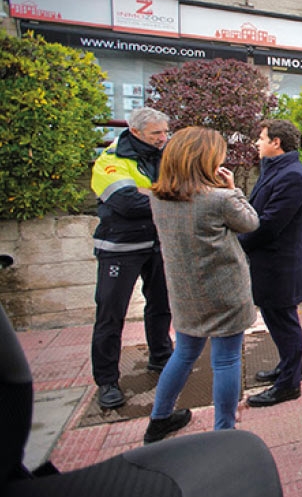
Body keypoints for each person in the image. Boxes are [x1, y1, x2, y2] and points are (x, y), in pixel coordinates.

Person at [144, 126, 259, 443]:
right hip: (225, 293)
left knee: (183, 354)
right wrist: (234, 189)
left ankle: (159, 419)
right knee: (226, 360)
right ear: (204, 160)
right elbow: (251, 223)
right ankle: (224, 431)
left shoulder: (158, 197)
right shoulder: (220, 199)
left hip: (185, 293)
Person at [90, 107, 174, 409]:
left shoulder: (164, 154)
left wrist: (149, 192)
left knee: (161, 306)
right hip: (120, 247)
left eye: (165, 132)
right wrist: (167, 194)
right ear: (135, 132)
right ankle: (107, 381)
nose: (163, 138)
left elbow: (187, 189)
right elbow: (127, 204)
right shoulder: (111, 159)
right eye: (156, 133)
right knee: (111, 315)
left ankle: (161, 357)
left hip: (158, 243)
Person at [239, 119, 302, 407]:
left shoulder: (292, 176)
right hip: (268, 265)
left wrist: (238, 243)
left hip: (279, 267)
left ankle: (289, 385)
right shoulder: (275, 170)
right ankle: (288, 367)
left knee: (285, 323)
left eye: (262, 138)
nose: (257, 143)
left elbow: (269, 226)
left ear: (276, 142)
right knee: (277, 321)